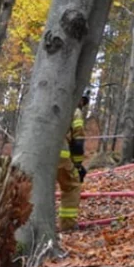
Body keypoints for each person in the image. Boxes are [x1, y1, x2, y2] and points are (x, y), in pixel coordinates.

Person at [58, 93, 88, 231]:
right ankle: (67, 225)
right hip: (60, 155)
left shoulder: (52, 108)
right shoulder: (74, 112)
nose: (82, 105)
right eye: (83, 102)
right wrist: (78, 165)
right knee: (72, 185)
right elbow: (78, 141)